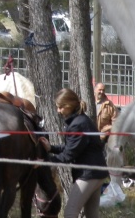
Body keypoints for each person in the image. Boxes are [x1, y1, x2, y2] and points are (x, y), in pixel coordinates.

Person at [39, 88, 108, 218]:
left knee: (70, 213)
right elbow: (72, 147)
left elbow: (68, 155)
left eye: (60, 107)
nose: (58, 111)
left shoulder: (78, 124)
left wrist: (45, 162)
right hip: (97, 173)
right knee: (92, 215)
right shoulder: (81, 121)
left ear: (69, 105)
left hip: (88, 175)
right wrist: (51, 148)